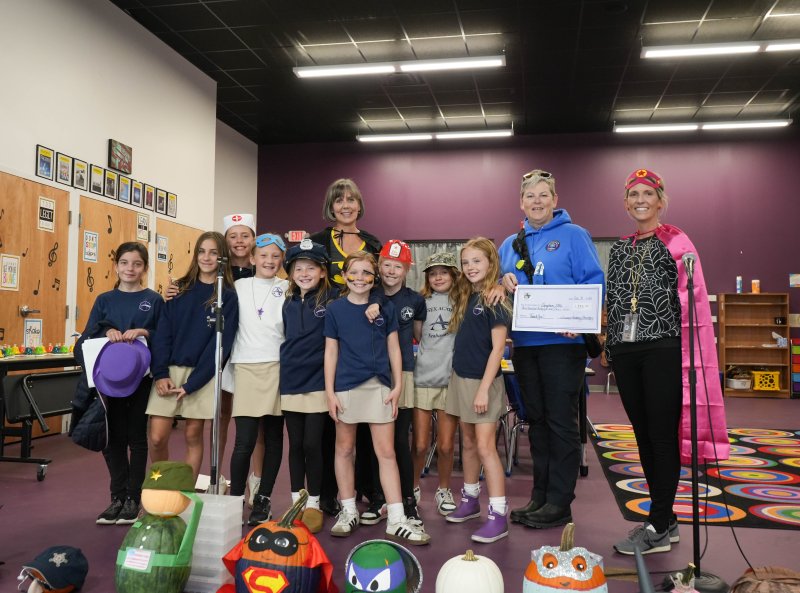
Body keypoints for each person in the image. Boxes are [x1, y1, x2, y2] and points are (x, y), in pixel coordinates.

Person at [607, 168, 729, 555]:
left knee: (661, 436)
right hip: (625, 351)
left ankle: (658, 524)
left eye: (648, 193)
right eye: (633, 194)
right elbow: (612, 301)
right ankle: (667, 519)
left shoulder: (677, 242)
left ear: (661, 199)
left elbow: (693, 300)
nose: (640, 199)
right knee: (642, 435)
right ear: (625, 202)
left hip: (662, 348)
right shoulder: (619, 247)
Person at [499, 169, 604, 529]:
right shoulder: (510, 243)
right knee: (537, 422)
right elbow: (496, 289)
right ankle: (540, 496)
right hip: (525, 345)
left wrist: (581, 319)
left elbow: (594, 282)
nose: (537, 201)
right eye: (531, 196)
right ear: (521, 202)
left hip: (563, 345)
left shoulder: (575, 236)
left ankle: (561, 501)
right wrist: (503, 279)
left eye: (544, 195)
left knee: (561, 423)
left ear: (555, 200)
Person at [324, 251, 430, 545]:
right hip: (345, 386)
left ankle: (396, 518)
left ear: (374, 278)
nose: (360, 278)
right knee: (344, 449)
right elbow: (331, 352)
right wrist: (330, 391)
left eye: (366, 273)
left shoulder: (385, 309)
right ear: (344, 276)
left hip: (380, 386)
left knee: (386, 453)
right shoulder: (335, 310)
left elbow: (395, 348)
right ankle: (347, 511)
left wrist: (396, 386)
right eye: (354, 273)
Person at [165, 213, 259, 499]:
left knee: (252, 422)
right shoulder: (217, 273)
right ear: (225, 242)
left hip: (249, 353)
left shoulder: (263, 269)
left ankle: (255, 479)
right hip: (218, 353)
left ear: (254, 240)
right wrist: (171, 291)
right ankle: (216, 476)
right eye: (233, 236)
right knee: (219, 415)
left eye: (245, 235)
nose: (239, 241)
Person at [75, 242, 163, 524]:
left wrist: (144, 332)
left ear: (145, 268)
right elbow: (87, 337)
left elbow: (163, 336)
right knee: (112, 437)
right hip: (109, 382)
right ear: (116, 266)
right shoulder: (104, 300)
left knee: (136, 436)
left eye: (137, 264)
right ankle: (117, 496)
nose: (130, 269)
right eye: (124, 263)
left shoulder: (154, 300)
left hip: (140, 379)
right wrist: (107, 330)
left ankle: (134, 498)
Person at [310, 178, 382, 516]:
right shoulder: (317, 242)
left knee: (367, 421)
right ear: (331, 205)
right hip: (329, 333)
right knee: (333, 421)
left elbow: (381, 288)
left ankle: (368, 488)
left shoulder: (372, 243)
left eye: (351, 199)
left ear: (359, 204)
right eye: (339, 200)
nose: (346, 205)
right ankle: (329, 492)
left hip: (364, 340)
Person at [147, 231, 238, 478]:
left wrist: (193, 384)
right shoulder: (178, 289)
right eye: (201, 251)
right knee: (156, 437)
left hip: (202, 375)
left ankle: (184, 498)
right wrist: (160, 374)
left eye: (213, 252)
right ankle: (162, 489)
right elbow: (162, 334)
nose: (206, 257)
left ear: (222, 258)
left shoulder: (227, 296)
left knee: (192, 435)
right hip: (169, 371)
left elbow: (220, 347)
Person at [444, 238, 512, 543]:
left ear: (491, 263)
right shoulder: (467, 295)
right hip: (461, 379)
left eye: (477, 261)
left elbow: (498, 350)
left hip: (485, 383)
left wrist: (484, 390)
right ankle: (470, 500)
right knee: (468, 444)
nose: (471, 267)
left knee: (486, 448)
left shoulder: (495, 300)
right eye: (466, 262)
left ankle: (498, 515)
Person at [228, 233, 288, 525]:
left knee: (274, 438)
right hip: (247, 366)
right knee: (245, 441)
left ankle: (263, 498)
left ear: (282, 260)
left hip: (278, 366)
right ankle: (236, 498)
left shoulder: (287, 288)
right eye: (263, 255)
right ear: (252, 258)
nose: (269, 261)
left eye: (276, 256)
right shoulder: (238, 286)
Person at [367, 240, 427, 527]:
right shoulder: (368, 293)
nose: (391, 271)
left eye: (398, 266)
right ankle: (378, 498)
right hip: (372, 375)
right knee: (375, 443)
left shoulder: (415, 300)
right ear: (379, 266)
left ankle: (407, 501)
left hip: (403, 375)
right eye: (387, 265)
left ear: (406, 270)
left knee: (400, 441)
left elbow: (421, 337)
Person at [280, 239, 336, 534]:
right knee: (296, 444)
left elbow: (367, 291)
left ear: (323, 272)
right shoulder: (286, 301)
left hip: (318, 382)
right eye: (298, 268)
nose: (304, 273)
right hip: (290, 381)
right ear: (290, 273)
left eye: (311, 268)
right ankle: (295, 499)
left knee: (313, 444)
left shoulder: (333, 299)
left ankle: (314, 501)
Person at [412, 252, 461, 516]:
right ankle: (413, 489)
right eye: (433, 273)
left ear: (454, 275)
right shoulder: (421, 301)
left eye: (443, 272)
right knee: (419, 445)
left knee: (445, 445)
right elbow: (419, 336)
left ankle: (444, 489)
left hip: (450, 381)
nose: (438, 277)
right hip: (423, 380)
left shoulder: (461, 300)